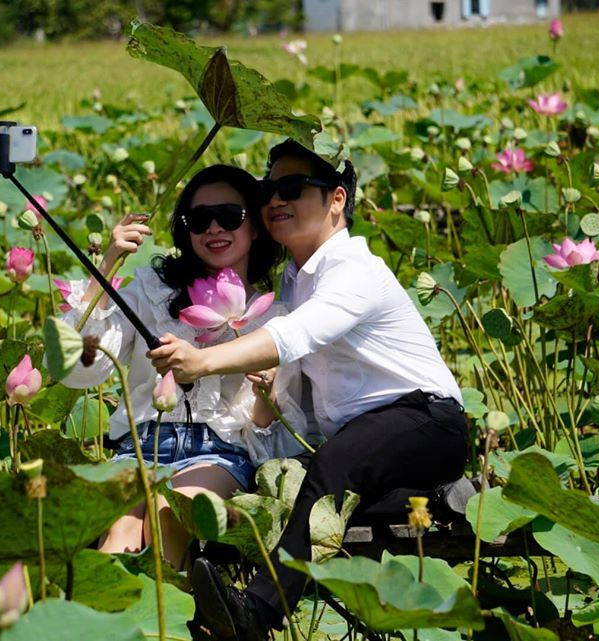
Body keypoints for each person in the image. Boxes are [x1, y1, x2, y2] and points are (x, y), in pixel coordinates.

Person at [148, 140, 469, 640]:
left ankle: (258, 613)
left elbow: (296, 337)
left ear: (337, 199)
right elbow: (298, 405)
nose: (275, 199)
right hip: (368, 442)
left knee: (332, 467)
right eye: (268, 189)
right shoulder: (296, 282)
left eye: (293, 188)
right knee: (307, 486)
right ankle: (433, 497)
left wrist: (203, 361)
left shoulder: (354, 271)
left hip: (425, 421)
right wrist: (265, 400)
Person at [60, 164, 308, 570]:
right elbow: (78, 370)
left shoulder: (273, 321)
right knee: (119, 534)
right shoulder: (151, 293)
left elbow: (268, 435)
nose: (214, 228)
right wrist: (107, 266)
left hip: (218, 455)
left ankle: (166, 627)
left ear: (256, 227)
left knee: (168, 516)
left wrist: (266, 394)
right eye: (199, 219)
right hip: (137, 449)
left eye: (230, 217)